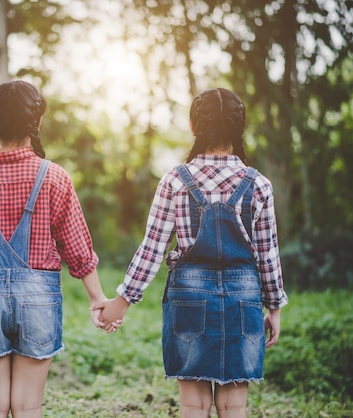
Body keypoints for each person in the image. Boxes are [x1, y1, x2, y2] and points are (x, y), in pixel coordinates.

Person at [94, 87, 288, 418]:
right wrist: (274, 307)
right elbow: (267, 256)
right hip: (244, 300)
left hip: (188, 300)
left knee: (193, 405)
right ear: (238, 129)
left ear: (193, 126)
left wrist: (121, 302)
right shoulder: (258, 184)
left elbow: (152, 249)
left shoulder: (176, 181)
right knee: (234, 405)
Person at [0, 80, 118, 418]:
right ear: (36, 122)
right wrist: (98, 299)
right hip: (38, 301)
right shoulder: (54, 177)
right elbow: (78, 249)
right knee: (27, 408)